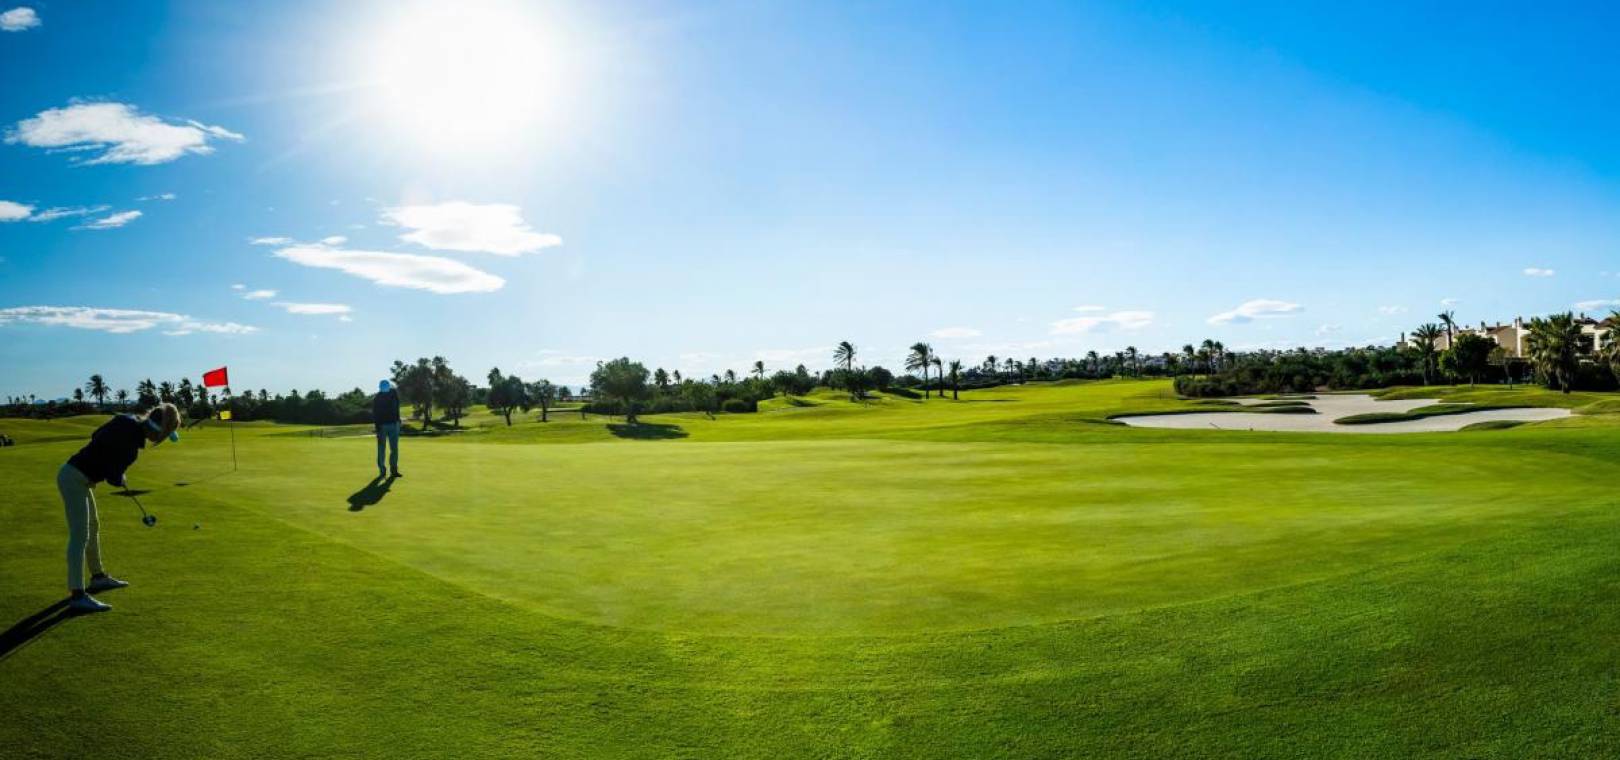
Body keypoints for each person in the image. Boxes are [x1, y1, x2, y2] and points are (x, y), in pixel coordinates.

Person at [58, 403, 182, 613]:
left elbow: (97, 436)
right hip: (73, 478)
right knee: (80, 535)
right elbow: (112, 477)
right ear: (157, 431)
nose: (156, 440)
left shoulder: (125, 420)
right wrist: (118, 475)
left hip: (79, 477)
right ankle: (77, 595)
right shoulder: (131, 447)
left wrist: (112, 467)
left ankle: (98, 577)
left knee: (93, 527)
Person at [373, 379, 402, 479]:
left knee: (394, 449)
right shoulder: (377, 398)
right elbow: (375, 415)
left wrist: (398, 420)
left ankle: (393, 470)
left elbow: (397, 407)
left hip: (394, 424)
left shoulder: (393, 394)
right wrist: (377, 428)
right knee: (382, 450)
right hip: (382, 426)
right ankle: (382, 471)